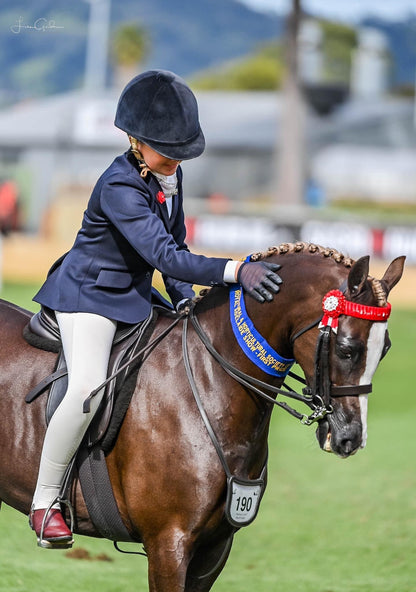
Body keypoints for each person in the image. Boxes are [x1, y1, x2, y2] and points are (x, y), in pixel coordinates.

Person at [29, 69, 282, 549]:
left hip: (136, 296)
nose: (175, 161)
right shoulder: (119, 187)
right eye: (167, 151)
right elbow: (163, 256)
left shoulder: (170, 174)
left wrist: (187, 299)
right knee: (85, 388)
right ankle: (45, 503)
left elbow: (176, 245)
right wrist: (234, 271)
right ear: (135, 140)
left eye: (181, 153)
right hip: (90, 296)